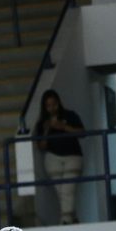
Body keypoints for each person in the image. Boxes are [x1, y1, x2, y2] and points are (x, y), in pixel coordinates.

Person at [35, 90, 85, 224]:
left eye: (54, 104)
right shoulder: (42, 123)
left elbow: (82, 133)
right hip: (53, 158)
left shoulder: (70, 115)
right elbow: (41, 146)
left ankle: (65, 222)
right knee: (62, 193)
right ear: (45, 107)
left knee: (68, 190)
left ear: (59, 103)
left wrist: (63, 127)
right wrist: (46, 130)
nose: (52, 108)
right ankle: (72, 218)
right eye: (48, 106)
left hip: (73, 156)